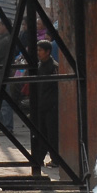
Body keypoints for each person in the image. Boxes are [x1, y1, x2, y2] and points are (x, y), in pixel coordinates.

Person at [30, 40, 59, 169]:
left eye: (40, 50)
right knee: (41, 133)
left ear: (48, 52)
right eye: (37, 50)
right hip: (41, 105)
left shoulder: (53, 67)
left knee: (52, 134)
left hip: (51, 107)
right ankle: (39, 158)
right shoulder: (39, 66)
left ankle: (56, 159)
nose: (38, 53)